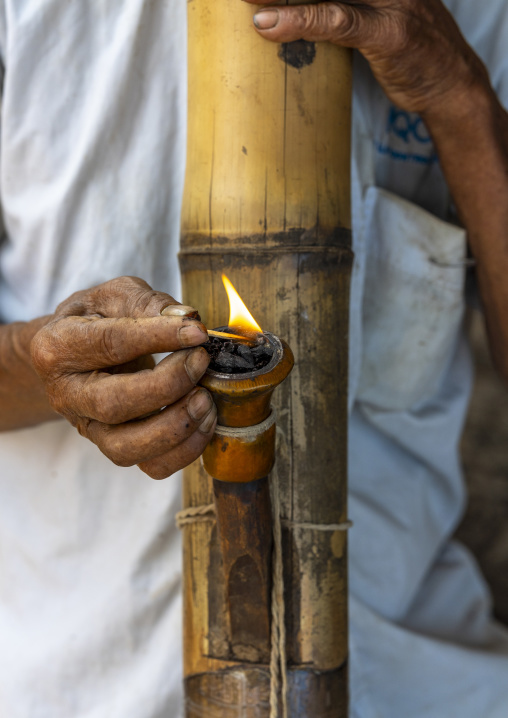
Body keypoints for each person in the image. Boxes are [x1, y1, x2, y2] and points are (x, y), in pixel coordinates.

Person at [0, 0, 507, 716]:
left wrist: (459, 96)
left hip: (413, 678)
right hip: (81, 681)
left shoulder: (476, 17)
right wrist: (34, 362)